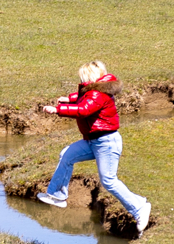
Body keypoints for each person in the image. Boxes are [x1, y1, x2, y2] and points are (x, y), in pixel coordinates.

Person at [39, 61, 152, 234]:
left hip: (106, 142)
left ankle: (140, 208)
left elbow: (84, 109)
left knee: (108, 180)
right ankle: (57, 195)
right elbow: (84, 98)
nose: (81, 80)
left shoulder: (98, 93)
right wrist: (69, 99)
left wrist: (58, 110)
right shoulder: (97, 90)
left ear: (90, 77)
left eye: (83, 77)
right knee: (66, 155)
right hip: (93, 141)